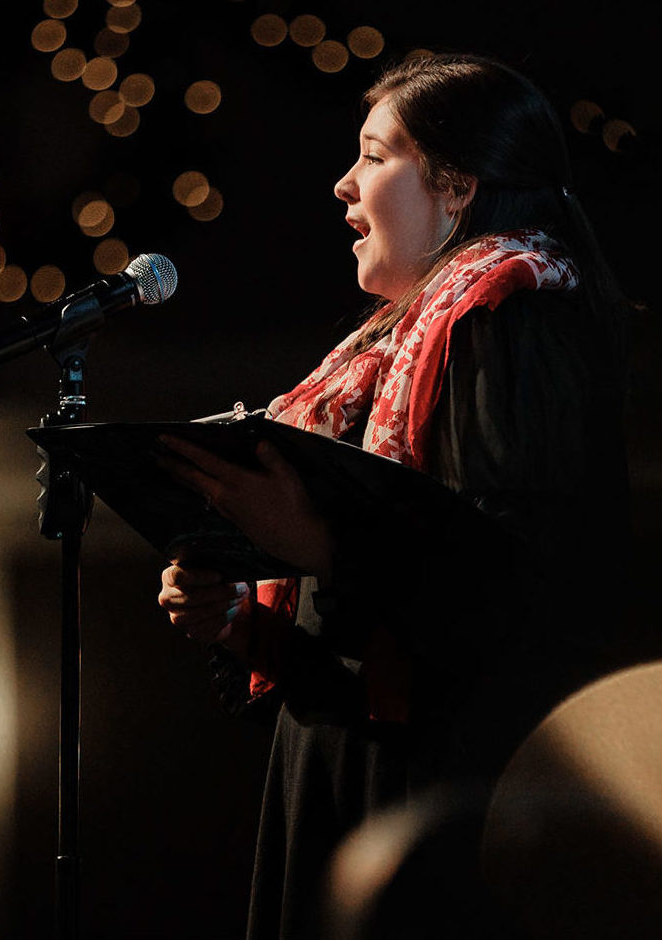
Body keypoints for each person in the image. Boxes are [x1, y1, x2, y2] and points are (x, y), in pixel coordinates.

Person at [156, 51, 634, 939]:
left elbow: (517, 592)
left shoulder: (507, 312)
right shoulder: (391, 345)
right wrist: (234, 614)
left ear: (456, 187)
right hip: (350, 757)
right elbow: (355, 627)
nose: (343, 185)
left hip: (441, 784)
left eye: (374, 157)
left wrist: (318, 545)